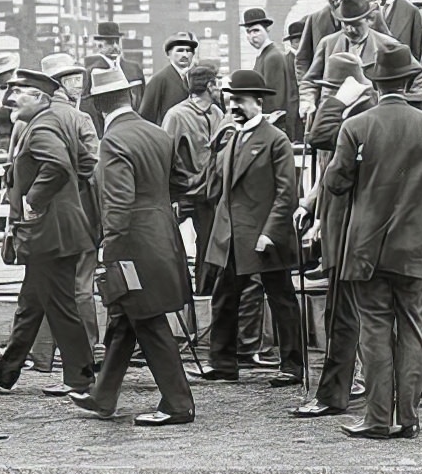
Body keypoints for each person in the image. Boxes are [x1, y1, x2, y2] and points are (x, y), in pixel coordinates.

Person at [325, 43, 422, 439]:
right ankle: (409, 419)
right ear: (411, 80)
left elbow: (335, 183)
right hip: (417, 246)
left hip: (366, 249)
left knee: (375, 330)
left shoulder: (356, 126)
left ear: (376, 83)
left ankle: (378, 419)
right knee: (413, 328)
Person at [69, 68, 196, 427]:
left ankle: (178, 404)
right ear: (131, 97)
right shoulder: (158, 134)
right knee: (127, 318)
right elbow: (182, 183)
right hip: (162, 240)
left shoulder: (113, 141)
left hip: (131, 247)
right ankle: (102, 396)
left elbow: (118, 203)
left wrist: (109, 251)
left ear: (97, 106)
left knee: (148, 320)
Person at [0, 70, 97, 397]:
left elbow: (56, 167)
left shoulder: (42, 127)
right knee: (31, 305)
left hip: (50, 234)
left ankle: (82, 380)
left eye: (21, 93)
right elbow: (84, 163)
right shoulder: (53, 122)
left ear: (41, 98)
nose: (12, 98)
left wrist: (35, 199)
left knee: (61, 308)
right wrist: (68, 196)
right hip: (57, 231)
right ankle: (7, 370)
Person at [198, 70, 305, 387]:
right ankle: (223, 362)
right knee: (224, 296)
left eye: (241, 101)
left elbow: (287, 193)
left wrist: (270, 232)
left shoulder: (275, 139)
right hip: (233, 235)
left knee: (281, 298)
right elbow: (218, 187)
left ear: (258, 103)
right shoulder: (233, 138)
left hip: (264, 236)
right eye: (232, 101)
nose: (235, 107)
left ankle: (293, 365)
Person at [292, 53, 377, 419]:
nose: (328, 95)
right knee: (359, 312)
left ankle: (332, 395)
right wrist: (311, 205)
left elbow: (320, 137)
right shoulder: (355, 112)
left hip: (352, 231)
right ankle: (419, 379)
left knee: (342, 316)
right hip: (344, 226)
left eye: (332, 87)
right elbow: (329, 169)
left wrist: (337, 99)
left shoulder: (359, 114)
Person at [40, 53, 102, 351]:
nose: (79, 83)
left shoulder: (35, 118)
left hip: (46, 213)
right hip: (80, 211)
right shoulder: (80, 118)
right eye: (73, 78)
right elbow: (94, 166)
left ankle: (48, 351)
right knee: (81, 284)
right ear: (60, 84)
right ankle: (86, 345)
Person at [300, 0, 422, 117]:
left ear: (369, 19)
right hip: (333, 120)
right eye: (345, 24)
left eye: (355, 24)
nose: (350, 30)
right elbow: (310, 81)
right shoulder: (327, 44)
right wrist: (307, 101)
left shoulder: (388, 45)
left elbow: (420, 75)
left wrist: (402, 104)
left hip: (371, 121)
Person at [161, 64, 224, 295]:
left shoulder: (217, 113)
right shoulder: (176, 115)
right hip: (183, 193)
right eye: (217, 81)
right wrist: (171, 196)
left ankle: (204, 297)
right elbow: (164, 156)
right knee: (168, 245)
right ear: (210, 86)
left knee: (208, 247)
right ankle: (175, 296)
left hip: (209, 193)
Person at [81, 21, 146, 134]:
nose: (116, 46)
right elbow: (89, 108)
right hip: (108, 131)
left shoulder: (134, 68)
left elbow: (144, 100)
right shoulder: (91, 73)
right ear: (99, 45)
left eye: (117, 41)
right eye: (110, 43)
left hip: (136, 129)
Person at [244, 8, 292, 133]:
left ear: (267, 29)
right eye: (248, 32)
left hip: (274, 125)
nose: (252, 36)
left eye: (256, 30)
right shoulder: (263, 56)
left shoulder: (273, 57)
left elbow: (274, 98)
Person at [139, 32, 198, 125]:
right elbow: (146, 117)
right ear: (168, 54)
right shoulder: (158, 80)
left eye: (188, 50)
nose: (185, 55)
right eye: (180, 50)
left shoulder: (198, 77)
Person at [282, 20, 305, 143]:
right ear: (292, 43)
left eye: (303, 40)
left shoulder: (309, 60)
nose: (301, 44)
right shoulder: (285, 61)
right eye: (297, 41)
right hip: (292, 112)